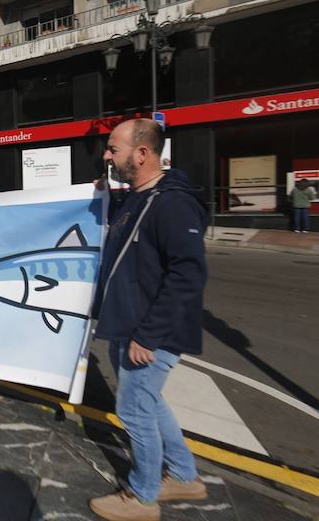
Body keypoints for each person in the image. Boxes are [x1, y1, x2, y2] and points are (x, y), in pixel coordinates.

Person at [90, 118, 208, 521]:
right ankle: (184, 476)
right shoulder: (140, 198)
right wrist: (106, 198)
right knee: (149, 403)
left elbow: (188, 274)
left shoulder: (172, 202)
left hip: (149, 334)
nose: (107, 155)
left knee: (135, 410)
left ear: (142, 154)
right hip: (131, 325)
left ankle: (142, 497)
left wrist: (149, 335)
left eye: (113, 148)